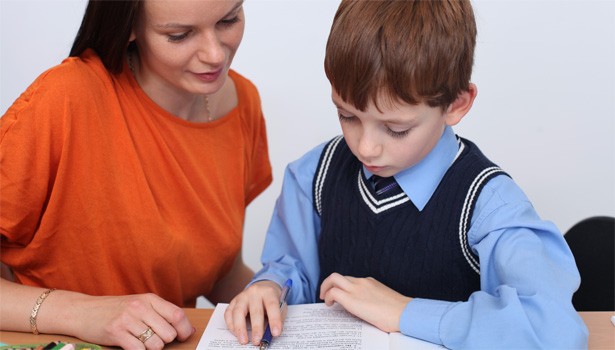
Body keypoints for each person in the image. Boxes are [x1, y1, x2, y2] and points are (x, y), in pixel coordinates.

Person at [224, 0, 589, 348]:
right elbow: (291, 269)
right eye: (347, 116)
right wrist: (270, 288)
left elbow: (553, 329)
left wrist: (403, 312)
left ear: (456, 104)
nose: (366, 147)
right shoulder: (311, 176)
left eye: (396, 129)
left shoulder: (489, 203)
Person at [0, 0, 272, 349]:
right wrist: (83, 313)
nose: (215, 54)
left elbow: (218, 270)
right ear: (129, 26)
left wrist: (288, 301)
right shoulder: (65, 99)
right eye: (179, 35)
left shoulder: (242, 102)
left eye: (229, 20)